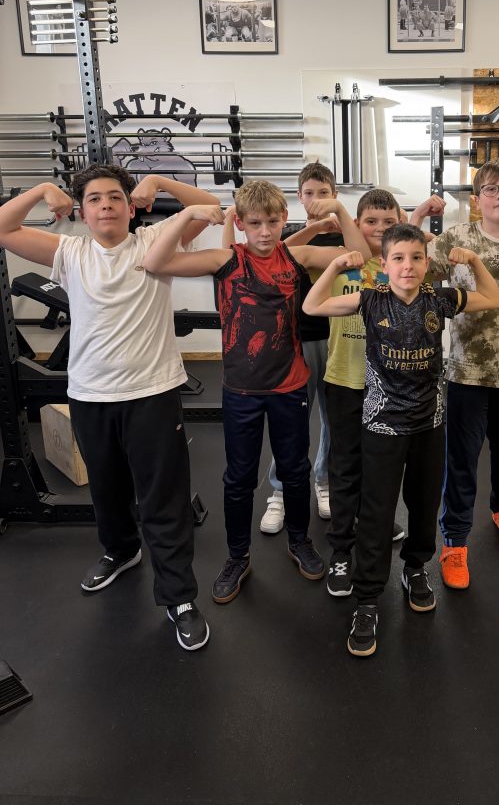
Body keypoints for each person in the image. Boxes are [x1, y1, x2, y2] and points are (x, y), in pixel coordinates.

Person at [0, 166, 223, 651]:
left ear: (130, 206)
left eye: (115, 197)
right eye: (95, 199)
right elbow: (3, 228)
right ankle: (121, 551)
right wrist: (42, 189)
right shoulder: (70, 252)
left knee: (163, 498)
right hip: (90, 393)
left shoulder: (156, 240)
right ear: (82, 212)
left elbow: (210, 206)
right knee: (106, 488)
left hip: (152, 392)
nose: (106, 205)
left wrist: (159, 181)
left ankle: (179, 597)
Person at [141, 180, 371, 606]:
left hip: (290, 386)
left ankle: (299, 540)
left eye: (272, 222)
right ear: (242, 224)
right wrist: (188, 214)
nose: (264, 232)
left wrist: (340, 211)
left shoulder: (296, 256)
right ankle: (237, 556)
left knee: (295, 470)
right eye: (255, 224)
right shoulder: (227, 259)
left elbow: (363, 255)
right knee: (239, 478)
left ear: (284, 220)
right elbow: (154, 261)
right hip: (241, 391)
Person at [304, 223, 499, 657]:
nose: (408, 266)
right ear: (384, 264)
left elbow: (493, 298)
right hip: (381, 425)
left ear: (426, 264)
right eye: (398, 258)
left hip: (429, 424)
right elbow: (312, 304)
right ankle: (367, 599)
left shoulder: (439, 299)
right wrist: (335, 265)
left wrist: (474, 261)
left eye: (415, 258)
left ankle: (415, 568)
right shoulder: (369, 299)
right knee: (376, 514)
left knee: (424, 504)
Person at [427, 159, 499, 590]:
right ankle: (455, 539)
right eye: (490, 189)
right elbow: (414, 273)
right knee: (461, 458)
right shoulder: (456, 237)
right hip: (467, 370)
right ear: (477, 199)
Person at [246, 162, 344, 535]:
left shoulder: (343, 236)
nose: (317, 199)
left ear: (334, 194)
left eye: (324, 193)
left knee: (334, 420)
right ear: (299, 197)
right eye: (309, 193)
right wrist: (315, 227)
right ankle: (281, 491)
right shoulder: (285, 235)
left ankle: (323, 480)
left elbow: (366, 248)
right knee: (292, 422)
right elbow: (271, 254)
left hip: (335, 339)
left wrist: (337, 220)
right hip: (294, 339)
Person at [316, 189, 405, 599]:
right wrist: (333, 211)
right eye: (371, 221)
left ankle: (374, 528)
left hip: (386, 385)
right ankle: (340, 550)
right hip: (344, 380)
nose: (380, 229)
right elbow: (290, 251)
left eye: (389, 222)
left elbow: (411, 239)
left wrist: (417, 217)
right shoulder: (340, 258)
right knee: (345, 467)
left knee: (380, 468)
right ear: (355, 224)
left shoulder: (398, 263)